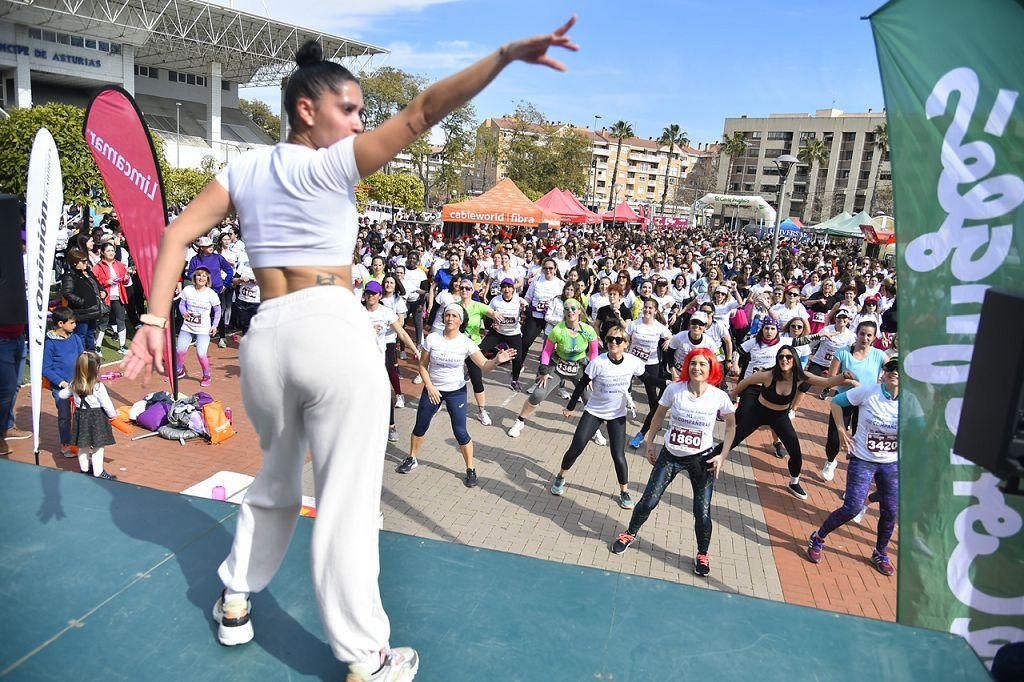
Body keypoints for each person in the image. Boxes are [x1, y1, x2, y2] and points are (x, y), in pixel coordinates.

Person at [122, 21, 577, 680]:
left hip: (266, 338)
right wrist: (505, 55)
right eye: (351, 109)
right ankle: (367, 657)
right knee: (350, 501)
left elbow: (175, 235)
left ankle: (236, 599)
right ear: (306, 109)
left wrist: (150, 317)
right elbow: (425, 110)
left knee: (274, 479)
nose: (361, 123)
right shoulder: (332, 161)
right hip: (330, 328)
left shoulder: (243, 169)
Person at [610, 348, 736, 578]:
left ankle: (702, 554)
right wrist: (650, 444)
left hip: (701, 460)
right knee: (649, 501)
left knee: (703, 512)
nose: (697, 368)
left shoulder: (718, 397)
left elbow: (731, 426)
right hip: (670, 456)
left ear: (711, 369)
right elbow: (658, 416)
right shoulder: (674, 390)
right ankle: (630, 533)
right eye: (693, 363)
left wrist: (722, 455)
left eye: (702, 365)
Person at [394, 304, 515, 484]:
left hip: (456, 392)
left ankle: (471, 468)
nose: (450, 318)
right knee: (420, 426)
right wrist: (430, 386)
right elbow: (422, 365)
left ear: (460, 321)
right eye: (447, 315)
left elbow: (484, 365)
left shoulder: (466, 342)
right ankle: (412, 458)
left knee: (460, 432)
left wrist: (497, 360)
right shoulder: (433, 338)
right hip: (433, 390)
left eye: (454, 316)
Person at [807, 356, 900, 576]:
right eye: (891, 369)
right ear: (884, 373)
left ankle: (880, 552)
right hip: (863, 460)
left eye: (900, 370)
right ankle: (817, 538)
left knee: (891, 510)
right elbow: (837, 403)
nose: (895, 373)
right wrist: (841, 431)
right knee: (853, 507)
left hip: (890, 463)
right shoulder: (869, 392)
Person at [728, 346, 855, 499]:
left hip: (780, 417)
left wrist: (843, 376)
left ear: (794, 359)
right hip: (759, 412)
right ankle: (707, 460)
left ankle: (794, 482)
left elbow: (826, 381)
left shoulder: (801, 376)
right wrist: (733, 395)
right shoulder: (768, 375)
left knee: (795, 452)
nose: (784, 360)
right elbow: (746, 381)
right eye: (781, 357)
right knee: (733, 439)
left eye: (788, 357)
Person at [553, 324, 645, 508]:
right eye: (610, 339)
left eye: (618, 340)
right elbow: (581, 385)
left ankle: (624, 492)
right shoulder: (598, 362)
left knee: (618, 455)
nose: (613, 342)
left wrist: (668, 382)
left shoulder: (633, 362)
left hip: (617, 415)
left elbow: (649, 380)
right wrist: (570, 407)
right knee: (576, 447)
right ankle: (560, 476)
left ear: (626, 344)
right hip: (594, 411)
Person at [507, 298, 598, 438]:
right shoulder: (558, 330)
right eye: (567, 309)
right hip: (559, 365)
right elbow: (547, 351)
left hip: (579, 366)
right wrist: (544, 371)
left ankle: (594, 430)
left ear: (579, 310)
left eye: (573, 308)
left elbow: (594, 353)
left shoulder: (588, 330)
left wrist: (590, 375)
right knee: (538, 394)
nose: (570, 311)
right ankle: (519, 421)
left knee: (590, 398)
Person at [821, 320, 889, 481]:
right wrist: (850, 382)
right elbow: (831, 378)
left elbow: (894, 371)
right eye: (862, 334)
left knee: (860, 442)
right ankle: (830, 461)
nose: (865, 338)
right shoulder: (843, 352)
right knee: (834, 438)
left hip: (866, 403)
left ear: (874, 338)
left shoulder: (879, 355)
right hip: (843, 400)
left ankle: (854, 481)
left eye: (869, 335)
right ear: (856, 334)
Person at [364, 280, 419, 442]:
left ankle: (391, 426)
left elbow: (401, 334)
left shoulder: (385, 312)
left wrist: (415, 349)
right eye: (368, 292)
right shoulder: (358, 312)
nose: (370, 296)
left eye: (373, 293)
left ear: (379, 295)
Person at [59, 351, 118, 480]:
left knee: (83, 446)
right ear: (95, 369)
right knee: (98, 447)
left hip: (81, 417)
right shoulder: (98, 386)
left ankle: (84, 469)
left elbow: (62, 395)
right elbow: (106, 404)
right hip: (96, 418)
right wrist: (113, 415)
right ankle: (98, 472)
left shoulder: (74, 383)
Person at [626, 299, 672, 449]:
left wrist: (668, 341)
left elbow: (671, 336)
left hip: (651, 363)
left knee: (651, 393)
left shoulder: (659, 327)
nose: (647, 310)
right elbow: (625, 337)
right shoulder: (635, 324)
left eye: (650, 308)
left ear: (656, 311)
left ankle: (654, 419)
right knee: (623, 385)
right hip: (632, 361)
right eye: (645, 307)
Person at [455, 276, 499, 425]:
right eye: (462, 288)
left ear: (472, 291)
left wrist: (496, 316)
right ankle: (439, 404)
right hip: (457, 347)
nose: (464, 291)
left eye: (468, 288)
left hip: (473, 347)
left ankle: (481, 411)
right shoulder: (454, 306)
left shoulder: (477, 305)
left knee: (476, 380)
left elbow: (491, 312)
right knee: (449, 376)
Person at [43, 307, 85, 458]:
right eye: (72, 323)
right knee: (65, 416)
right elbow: (46, 369)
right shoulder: (50, 344)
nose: (75, 326)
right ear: (61, 323)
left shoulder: (75, 338)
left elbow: (82, 357)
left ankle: (83, 441)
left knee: (83, 413)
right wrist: (62, 383)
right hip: (61, 388)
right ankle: (66, 443)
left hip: (79, 383)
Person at [175, 268, 221, 387]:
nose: (201, 278)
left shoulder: (211, 294)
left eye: (204, 276)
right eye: (199, 276)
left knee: (201, 354)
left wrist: (215, 325)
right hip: (187, 327)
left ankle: (206, 375)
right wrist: (183, 312)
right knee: (180, 351)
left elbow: (217, 310)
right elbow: (181, 304)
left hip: (203, 329)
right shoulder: (187, 290)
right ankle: (179, 370)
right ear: (195, 278)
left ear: (208, 279)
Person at [481, 277, 527, 391]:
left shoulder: (519, 300)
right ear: (501, 289)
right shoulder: (495, 300)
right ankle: (472, 371)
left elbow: (528, 313)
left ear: (513, 289)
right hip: (497, 333)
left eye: (509, 287)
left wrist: (524, 309)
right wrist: (492, 323)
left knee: (517, 359)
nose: (506, 290)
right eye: (504, 287)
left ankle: (515, 380)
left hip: (513, 333)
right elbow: (488, 313)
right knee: (480, 350)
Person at [60, 248, 106, 352]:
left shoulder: (88, 273)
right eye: (83, 261)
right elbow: (66, 292)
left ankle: (91, 354)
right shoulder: (70, 276)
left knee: (91, 333)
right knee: (81, 334)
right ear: (75, 263)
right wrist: (81, 302)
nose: (86, 263)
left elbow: (98, 285)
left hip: (93, 309)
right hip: (81, 312)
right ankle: (80, 356)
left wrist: (103, 291)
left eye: (87, 260)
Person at [93, 242, 131, 354]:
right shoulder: (98, 267)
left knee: (121, 320)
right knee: (103, 322)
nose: (111, 253)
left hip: (119, 296)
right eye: (108, 251)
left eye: (113, 250)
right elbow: (94, 282)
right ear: (103, 253)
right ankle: (98, 346)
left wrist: (126, 277)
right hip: (106, 297)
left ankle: (122, 346)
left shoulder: (119, 265)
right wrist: (106, 282)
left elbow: (126, 281)